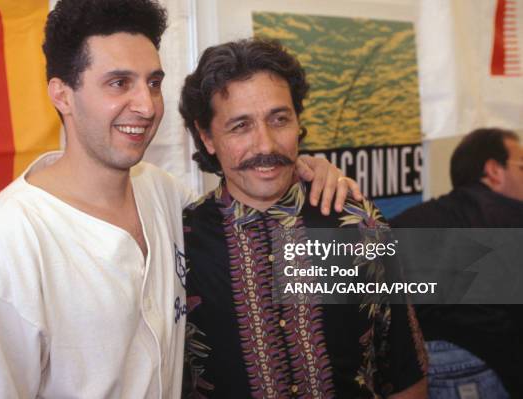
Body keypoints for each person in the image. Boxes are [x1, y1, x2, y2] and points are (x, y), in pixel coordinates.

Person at [0, 1, 359, 397]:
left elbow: (244, 202)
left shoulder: (163, 193)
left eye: (154, 83)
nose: (145, 105)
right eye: (119, 83)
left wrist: (301, 170)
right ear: (62, 94)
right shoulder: (0, 246)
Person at [179, 38, 428, 398]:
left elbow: (404, 370)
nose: (265, 145)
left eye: (279, 119)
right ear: (207, 137)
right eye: (240, 126)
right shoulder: (182, 239)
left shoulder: (357, 224)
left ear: (298, 122)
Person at [391, 128, 523, 398]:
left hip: (412, 370)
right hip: (484, 366)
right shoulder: (511, 219)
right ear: (494, 170)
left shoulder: (409, 220)